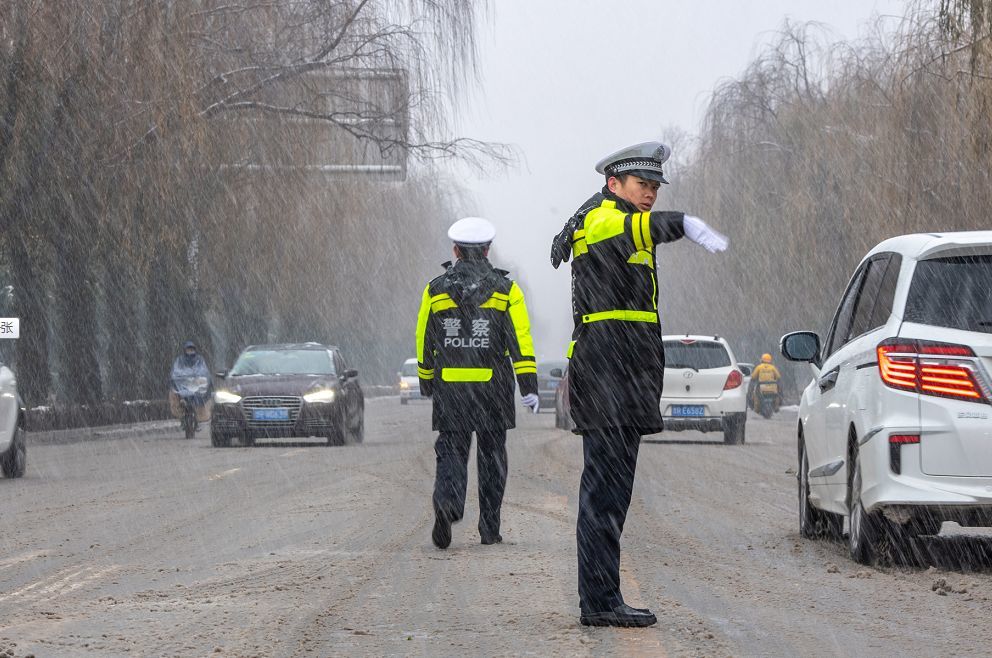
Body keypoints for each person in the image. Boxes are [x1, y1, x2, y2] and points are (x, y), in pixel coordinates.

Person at [550, 142, 729, 627]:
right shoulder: (606, 220)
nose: (649, 194)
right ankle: (599, 601)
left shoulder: (618, 223)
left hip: (622, 377)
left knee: (613, 495)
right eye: (641, 185)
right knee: (603, 495)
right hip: (607, 375)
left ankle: (604, 596)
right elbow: (640, 226)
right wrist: (683, 223)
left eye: (654, 187)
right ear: (614, 185)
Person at [416, 217, 540, 549]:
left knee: (451, 452)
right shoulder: (506, 291)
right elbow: (520, 340)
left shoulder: (435, 289)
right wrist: (528, 386)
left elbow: (423, 338)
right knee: (492, 458)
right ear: (487, 250)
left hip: (450, 389)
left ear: (455, 250)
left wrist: (426, 379)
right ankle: (489, 529)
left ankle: (447, 504)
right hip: (492, 390)